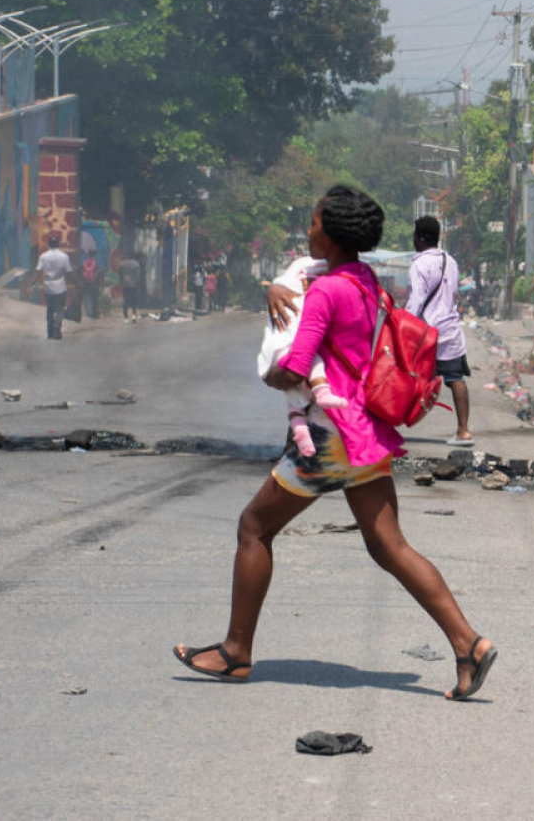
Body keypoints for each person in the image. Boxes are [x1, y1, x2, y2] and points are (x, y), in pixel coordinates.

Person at [173, 186, 496, 700]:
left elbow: (298, 365)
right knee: (389, 546)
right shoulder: (363, 280)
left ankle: (236, 652)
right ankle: (468, 644)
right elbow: (297, 279)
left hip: (328, 438)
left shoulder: (325, 292)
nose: (308, 230)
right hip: (364, 431)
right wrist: (270, 289)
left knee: (254, 528)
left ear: (334, 232)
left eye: (315, 223)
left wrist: (272, 373)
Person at [256, 256, 350, 458]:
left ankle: (301, 451)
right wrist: (276, 289)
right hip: (308, 360)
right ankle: (297, 448)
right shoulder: (304, 273)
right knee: (300, 396)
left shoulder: (347, 278)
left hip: (332, 370)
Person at [407, 215, 474, 447]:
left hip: (426, 334)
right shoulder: (451, 262)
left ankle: (390, 425)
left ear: (421, 238)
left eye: (415, 235)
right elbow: (453, 293)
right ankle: (464, 431)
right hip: (451, 330)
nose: (414, 239)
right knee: (456, 379)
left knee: (407, 376)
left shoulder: (419, 265)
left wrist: (404, 325)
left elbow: (416, 301)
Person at [34, 233, 73, 340]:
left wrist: (31, 284)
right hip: (60, 287)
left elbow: (38, 272)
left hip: (48, 288)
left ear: (49, 245)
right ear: (58, 244)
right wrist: (76, 283)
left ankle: (50, 331)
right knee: (60, 309)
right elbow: (69, 272)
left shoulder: (43, 256)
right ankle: (57, 327)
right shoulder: (64, 257)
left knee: (50, 310)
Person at [117, 253, 142, 321]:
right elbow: (138, 276)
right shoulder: (136, 264)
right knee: (134, 300)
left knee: (125, 300)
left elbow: (119, 275)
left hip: (125, 284)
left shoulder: (122, 264)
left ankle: (126, 317)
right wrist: (138, 283)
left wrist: (120, 283)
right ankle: (134, 315)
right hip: (134, 284)